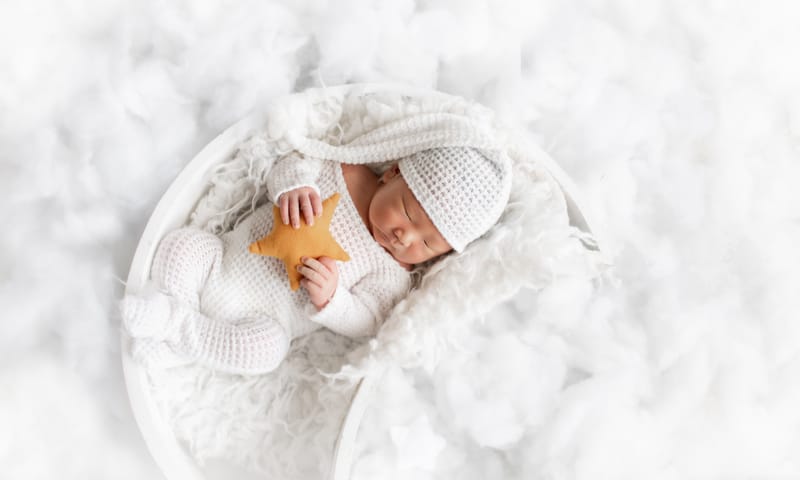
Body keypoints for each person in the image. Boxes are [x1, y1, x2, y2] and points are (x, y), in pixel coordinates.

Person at [121, 142, 511, 375]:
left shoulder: (392, 273)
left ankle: (175, 327)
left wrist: (334, 299)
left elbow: (368, 321)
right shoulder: (342, 170)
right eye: (409, 213)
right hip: (220, 261)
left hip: (264, 321)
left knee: (265, 352)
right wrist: (292, 186)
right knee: (182, 246)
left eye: (427, 245)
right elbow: (294, 158)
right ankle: (177, 319)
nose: (405, 237)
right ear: (392, 173)